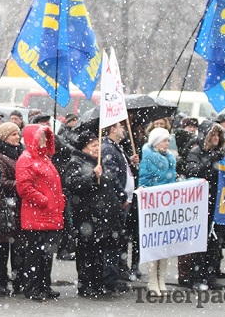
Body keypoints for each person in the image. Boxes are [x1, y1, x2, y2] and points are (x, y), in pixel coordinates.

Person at [65, 130, 122, 298]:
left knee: (98, 251)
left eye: (98, 145)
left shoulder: (98, 162)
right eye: (94, 145)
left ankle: (97, 283)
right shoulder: (76, 162)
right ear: (84, 147)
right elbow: (73, 183)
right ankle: (86, 284)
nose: (98, 148)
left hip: (101, 215)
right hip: (85, 216)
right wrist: (92, 176)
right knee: (86, 252)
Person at [16, 123, 64, 301]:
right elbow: (24, 187)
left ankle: (44, 285)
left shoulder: (44, 158)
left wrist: (59, 199)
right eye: (41, 136)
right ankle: (32, 288)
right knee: (35, 254)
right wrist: (43, 201)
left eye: (45, 136)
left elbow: (50, 184)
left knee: (46, 254)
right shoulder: (26, 158)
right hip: (37, 215)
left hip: (49, 213)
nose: (44, 139)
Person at [185, 123, 225, 291]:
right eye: (213, 135)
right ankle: (196, 277)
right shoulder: (196, 152)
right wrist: (210, 161)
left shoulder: (221, 154)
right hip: (201, 202)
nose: (216, 138)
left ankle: (209, 276)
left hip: (217, 202)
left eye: (218, 135)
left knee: (215, 241)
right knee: (200, 240)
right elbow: (192, 171)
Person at [100, 122, 139, 294]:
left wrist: (129, 163)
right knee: (113, 241)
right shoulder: (108, 148)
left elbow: (119, 170)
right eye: (120, 126)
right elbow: (111, 175)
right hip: (116, 202)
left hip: (122, 201)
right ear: (112, 129)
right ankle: (110, 277)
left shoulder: (116, 147)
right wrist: (122, 195)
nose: (123, 129)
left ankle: (115, 274)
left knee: (119, 240)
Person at [138, 128, 177, 296]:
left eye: (168, 140)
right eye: (164, 140)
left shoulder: (171, 159)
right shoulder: (147, 159)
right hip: (153, 208)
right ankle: (152, 280)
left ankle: (162, 278)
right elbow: (144, 182)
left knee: (165, 244)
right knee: (154, 244)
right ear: (155, 142)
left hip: (167, 207)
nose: (167, 143)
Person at [0, 122, 24, 295]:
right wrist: (22, 184)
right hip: (4, 209)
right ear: (4, 137)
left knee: (18, 249)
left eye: (18, 134)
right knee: (2, 250)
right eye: (13, 135)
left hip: (18, 208)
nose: (17, 137)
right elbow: (2, 182)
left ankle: (19, 282)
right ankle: (0, 282)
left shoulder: (20, 152)